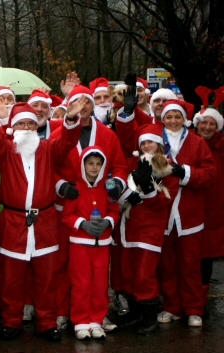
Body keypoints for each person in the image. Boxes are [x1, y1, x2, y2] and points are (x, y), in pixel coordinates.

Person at [0, 74, 87, 342]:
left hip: (45, 222)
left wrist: (70, 119)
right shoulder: (4, 150)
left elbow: (68, 141)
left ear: (37, 127)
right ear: (14, 128)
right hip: (14, 222)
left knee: (46, 277)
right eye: (21, 124)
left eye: (30, 123)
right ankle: (11, 321)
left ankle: (47, 322)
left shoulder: (49, 149)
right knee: (12, 278)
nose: (26, 127)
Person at [157, 100, 216, 327]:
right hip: (162, 213)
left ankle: (194, 308)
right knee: (167, 264)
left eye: (177, 117)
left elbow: (209, 175)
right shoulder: (156, 141)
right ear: (163, 118)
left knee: (190, 265)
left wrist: (185, 173)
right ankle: (171, 306)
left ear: (185, 119)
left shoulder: (198, 143)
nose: (173, 121)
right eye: (169, 117)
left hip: (189, 214)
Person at [118, 125, 175, 335]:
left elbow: (167, 198)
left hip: (150, 228)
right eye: (143, 142)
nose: (146, 145)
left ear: (159, 143)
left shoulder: (168, 165)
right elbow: (119, 185)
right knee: (129, 272)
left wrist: (149, 189)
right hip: (129, 226)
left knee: (144, 274)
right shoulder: (132, 163)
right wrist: (126, 195)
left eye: (150, 141)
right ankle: (136, 312)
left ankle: (149, 315)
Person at [62, 148, 120, 340]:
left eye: (98, 164)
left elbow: (114, 210)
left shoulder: (109, 186)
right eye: (90, 163)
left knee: (100, 283)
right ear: (83, 165)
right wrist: (82, 224)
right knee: (82, 283)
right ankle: (80, 321)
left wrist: (107, 222)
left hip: (102, 244)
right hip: (80, 244)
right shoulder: (75, 188)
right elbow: (67, 216)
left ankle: (96, 320)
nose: (94, 167)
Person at [191, 94, 224, 298]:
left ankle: (200, 298)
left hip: (214, 205)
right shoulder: (189, 142)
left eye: (212, 124)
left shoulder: (221, 147)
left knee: (206, 256)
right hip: (192, 203)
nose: (207, 127)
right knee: (187, 254)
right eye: (204, 123)